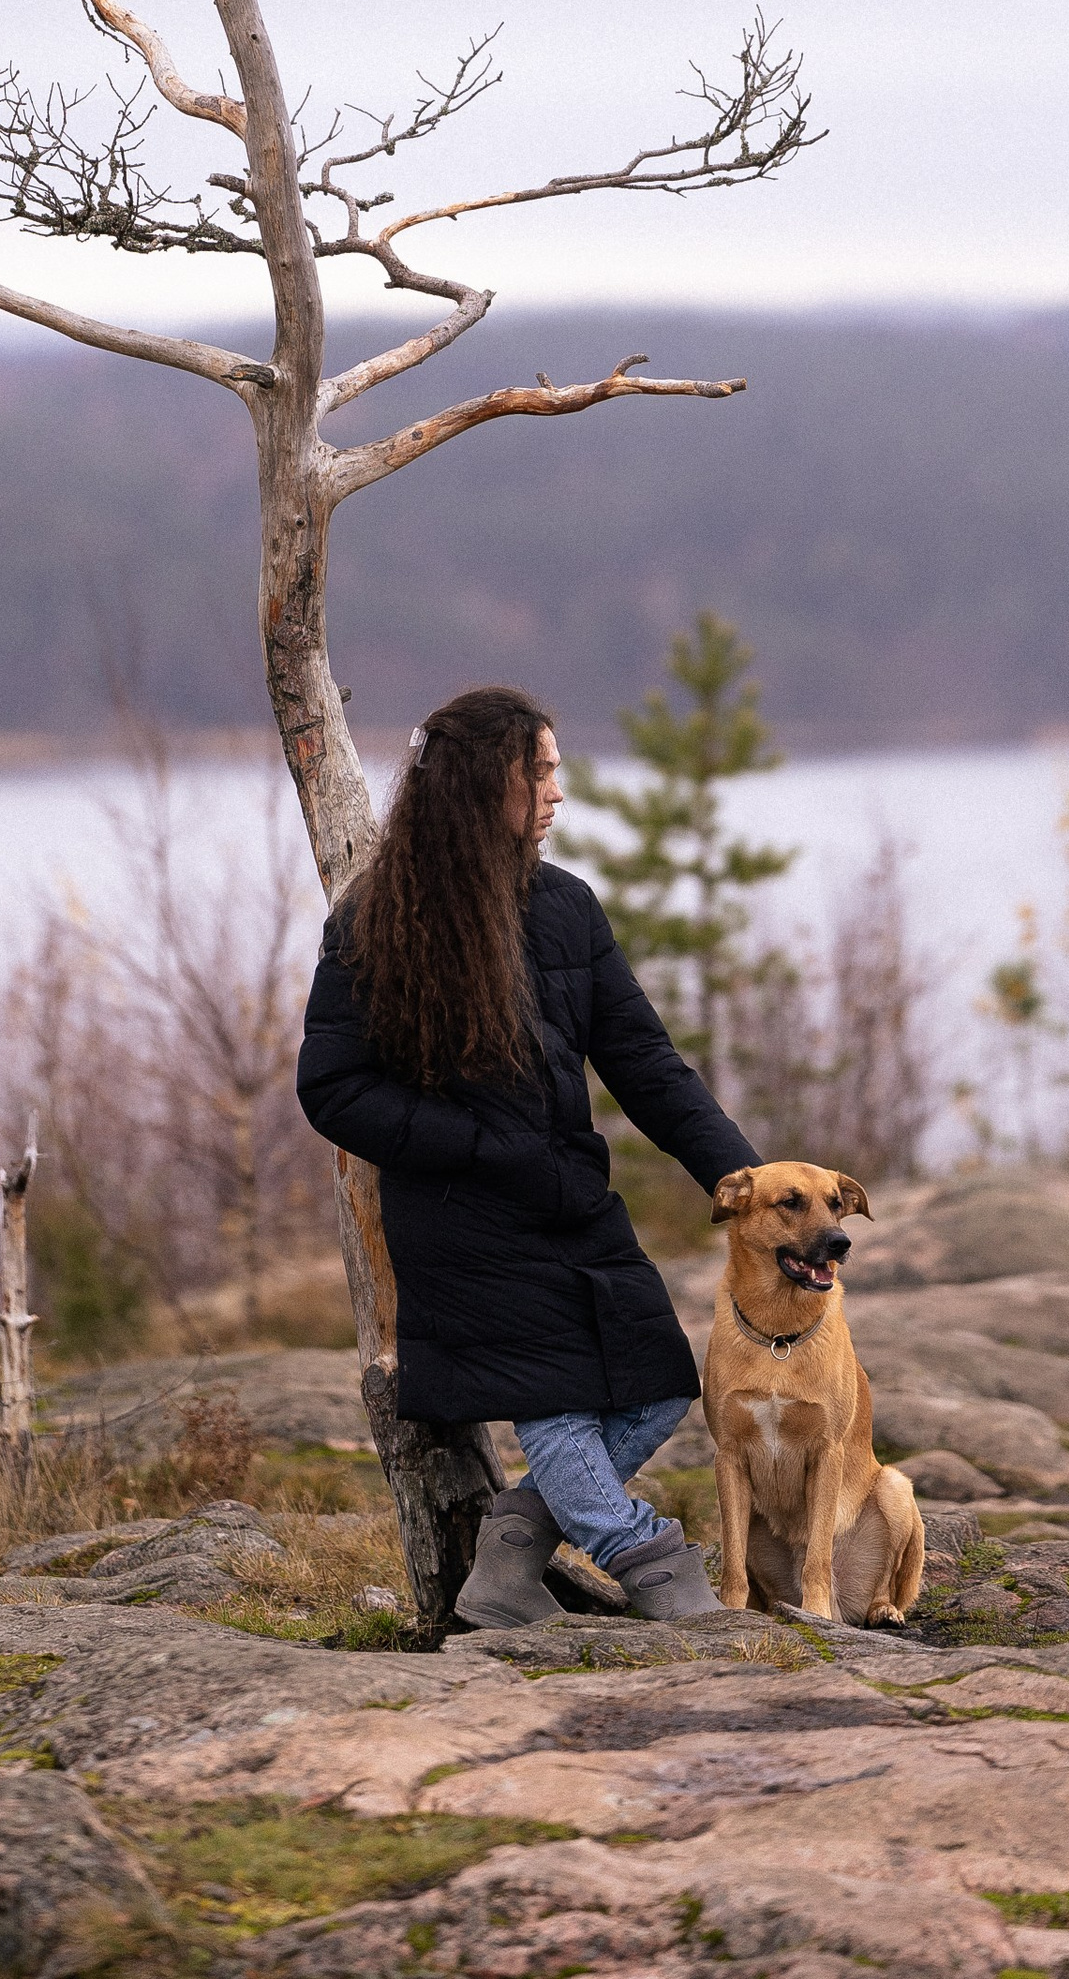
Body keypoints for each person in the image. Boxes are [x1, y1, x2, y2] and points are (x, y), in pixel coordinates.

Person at [296, 681, 759, 1625]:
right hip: (464, 1222)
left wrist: (740, 1175)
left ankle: (507, 1565)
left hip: (569, 1202)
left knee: (662, 1381)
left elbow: (644, 1061)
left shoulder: (566, 908)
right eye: (538, 770)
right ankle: (650, 1560)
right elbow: (331, 1088)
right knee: (554, 1400)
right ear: (479, 785)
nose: (557, 790)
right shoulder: (376, 921)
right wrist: (471, 1148)